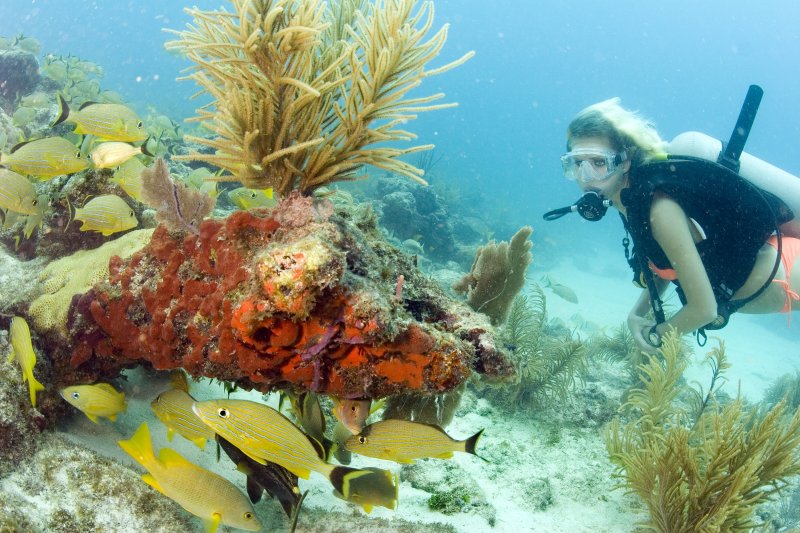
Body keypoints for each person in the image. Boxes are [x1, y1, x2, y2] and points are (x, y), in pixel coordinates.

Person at [559, 97, 800, 353]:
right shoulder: (630, 202)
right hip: (769, 279)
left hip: (785, 272)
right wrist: (637, 312)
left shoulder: (658, 210)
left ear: (624, 161)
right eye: (577, 163)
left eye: (599, 163)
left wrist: (655, 336)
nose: (586, 177)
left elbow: (704, 310)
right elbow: (667, 261)